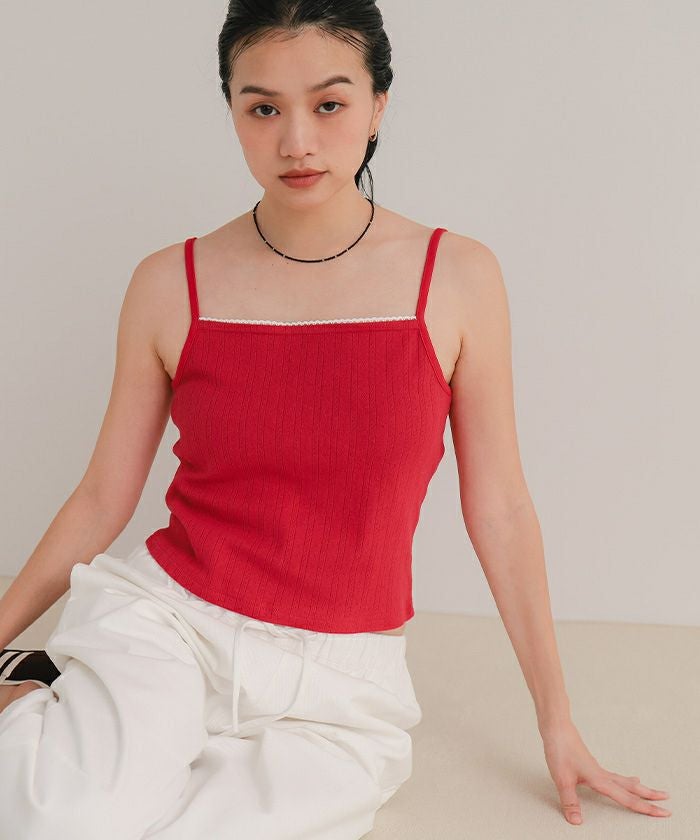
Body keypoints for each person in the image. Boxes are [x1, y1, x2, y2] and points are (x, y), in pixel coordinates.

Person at [0, 1, 671, 837]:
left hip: (340, 673)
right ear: (232, 110)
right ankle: (36, 688)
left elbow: (499, 508)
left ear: (378, 104)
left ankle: (83, 725)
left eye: (328, 103)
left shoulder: (456, 278)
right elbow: (103, 497)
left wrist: (557, 721)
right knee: (62, 822)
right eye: (262, 108)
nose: (296, 142)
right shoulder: (169, 282)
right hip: (172, 623)